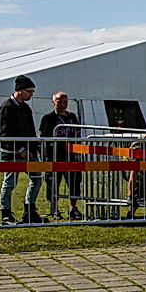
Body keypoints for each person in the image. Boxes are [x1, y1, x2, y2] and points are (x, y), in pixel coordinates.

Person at [0, 75, 43, 224]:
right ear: (20, 90)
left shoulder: (25, 107)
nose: (31, 94)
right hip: (12, 153)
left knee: (37, 179)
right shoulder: (6, 107)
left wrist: (34, 148)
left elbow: (31, 129)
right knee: (9, 182)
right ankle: (5, 213)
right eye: (29, 91)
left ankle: (30, 210)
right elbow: (5, 133)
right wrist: (21, 149)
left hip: (29, 152)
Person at [39, 91, 83, 221]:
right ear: (53, 102)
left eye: (65, 102)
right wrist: (44, 155)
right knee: (53, 184)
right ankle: (54, 209)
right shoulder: (48, 118)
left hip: (71, 156)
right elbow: (42, 137)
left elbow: (77, 134)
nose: (63, 105)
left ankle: (73, 208)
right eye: (59, 102)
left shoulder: (72, 117)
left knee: (74, 183)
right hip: (54, 157)